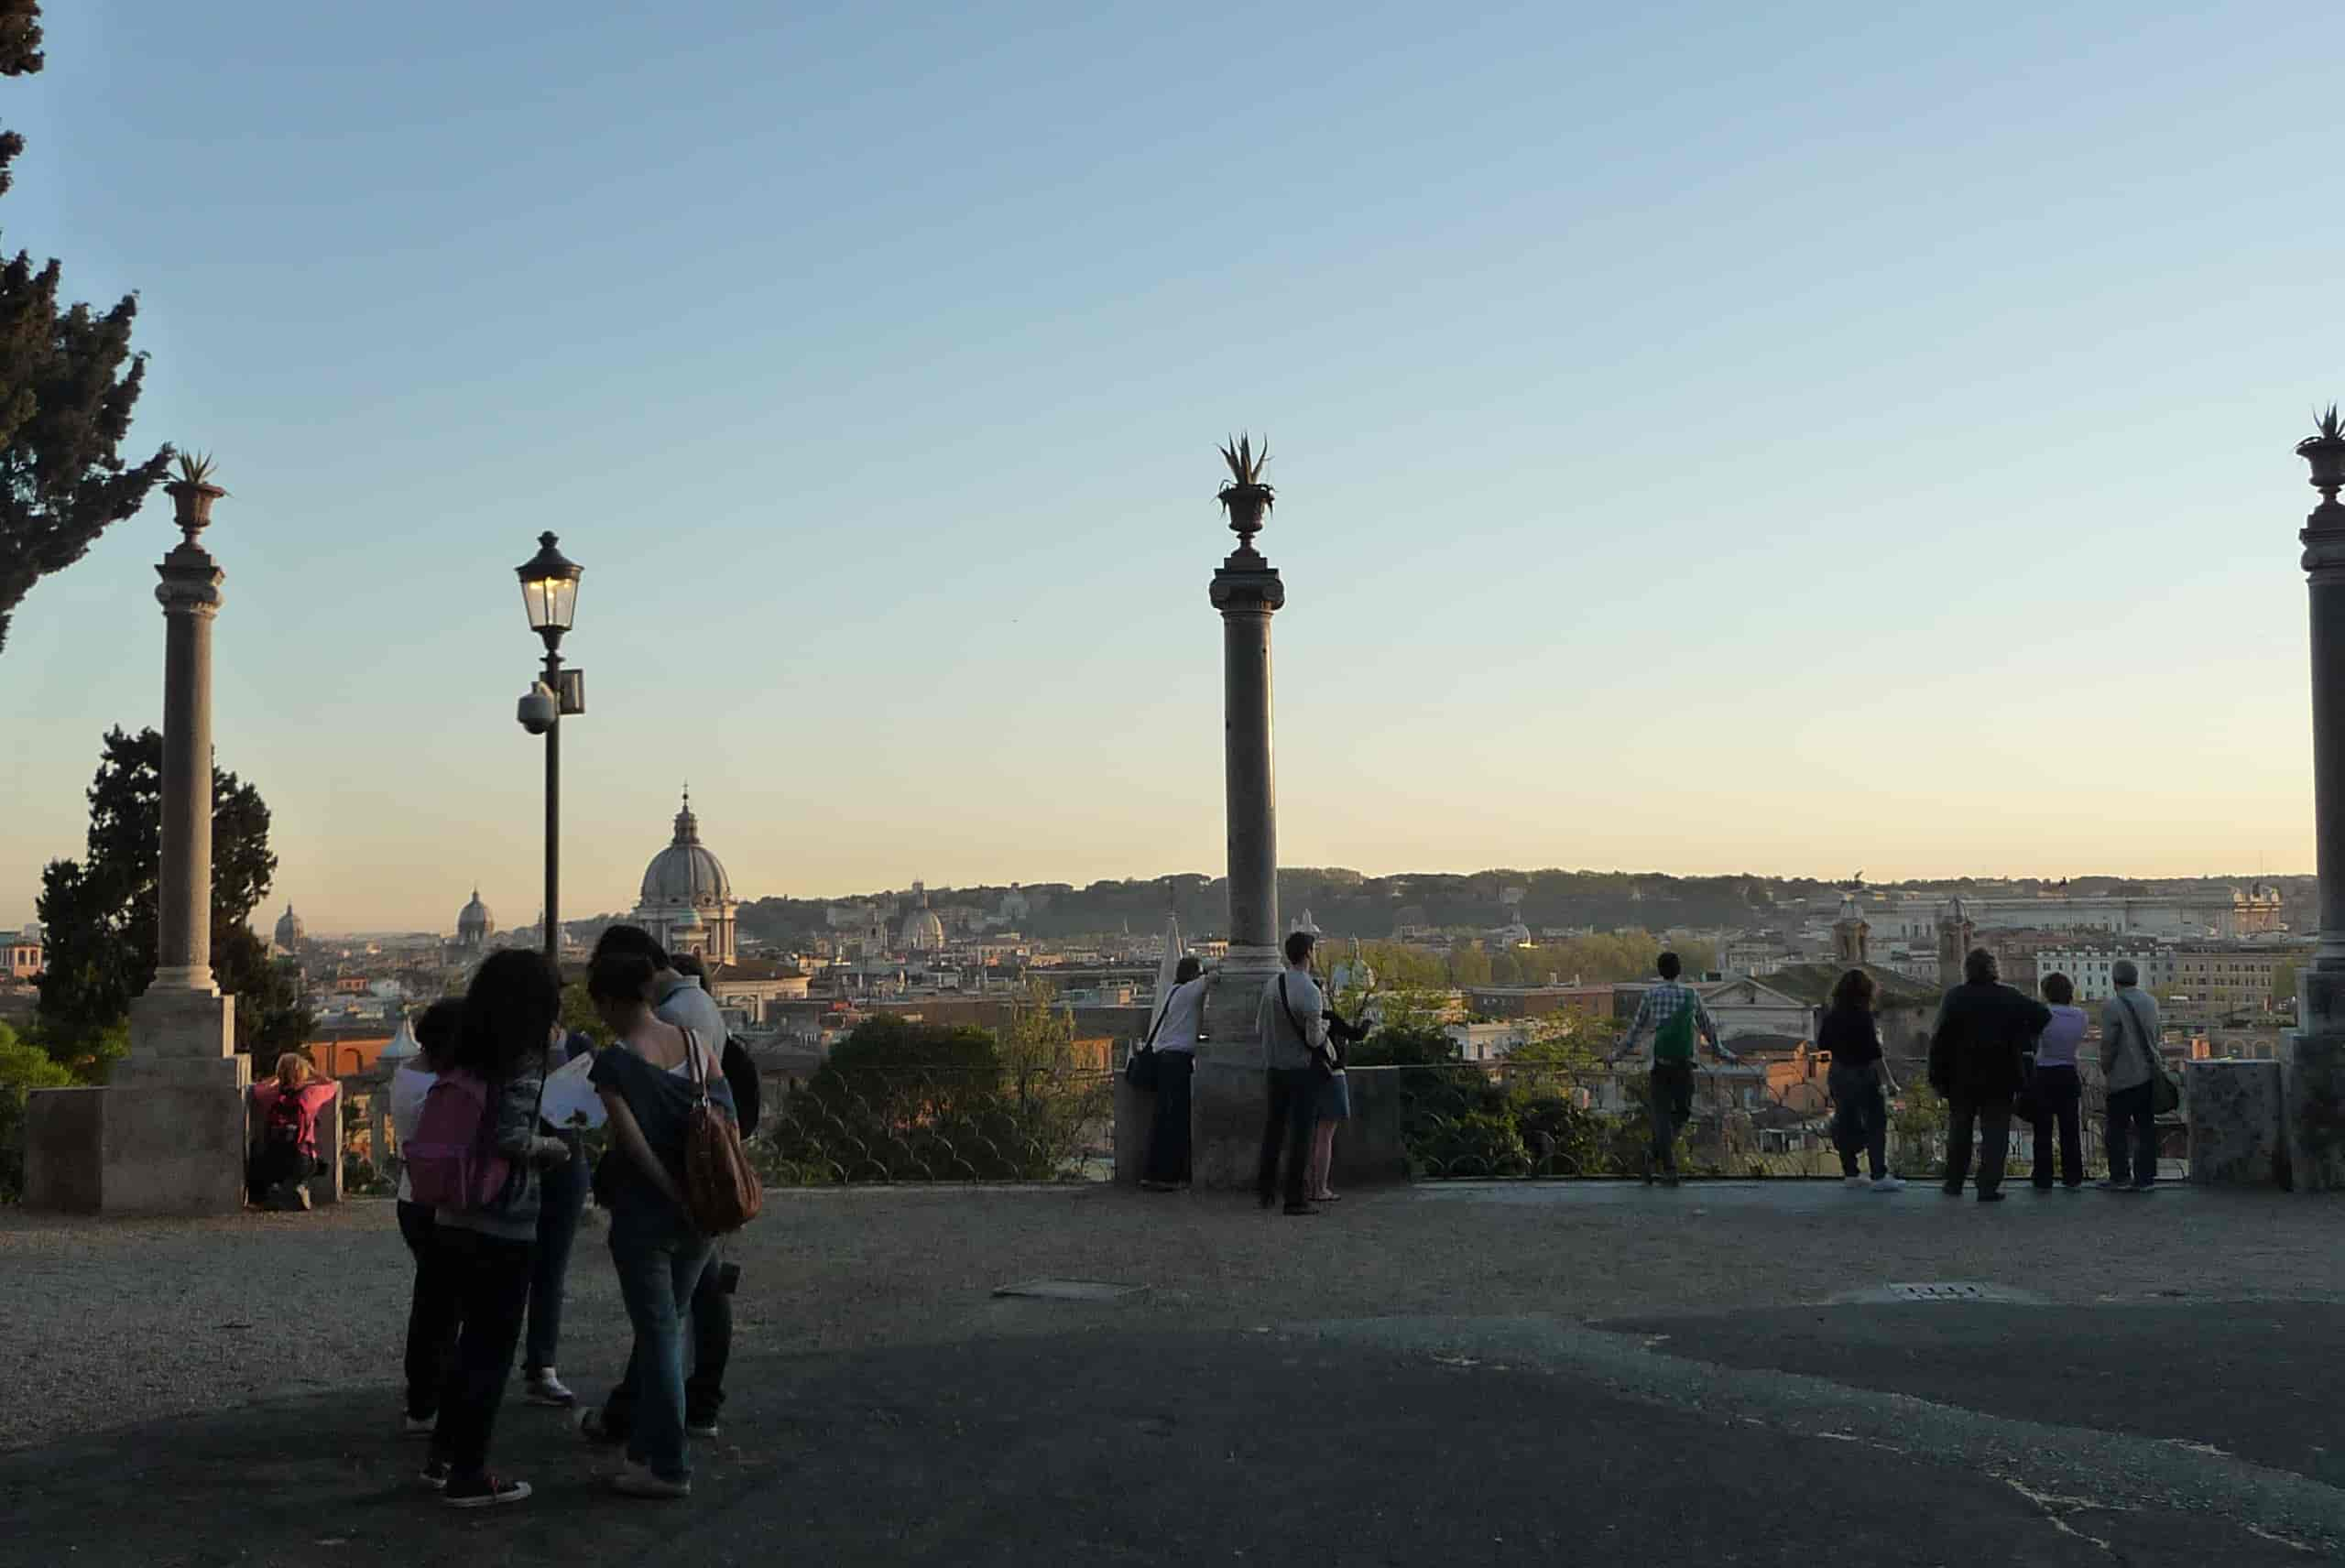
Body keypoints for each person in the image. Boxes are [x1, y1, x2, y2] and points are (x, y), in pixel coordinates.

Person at [582, 949, 737, 1499]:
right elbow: (727, 1118)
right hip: (703, 1213)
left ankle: (668, 1465)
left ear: (607, 1001)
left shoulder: (614, 1064)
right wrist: (705, 1189)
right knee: (667, 1328)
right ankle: (646, 1451)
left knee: (660, 1336)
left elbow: (632, 1145)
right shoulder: (696, 1045)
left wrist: (668, 1189)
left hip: (647, 1215)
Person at [422, 948, 569, 1508]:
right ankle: (469, 1472)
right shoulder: (523, 1060)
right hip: (502, 1219)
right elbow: (510, 1138)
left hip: (451, 1212)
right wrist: (553, 1147)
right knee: (491, 1349)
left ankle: (440, 1457)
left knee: (465, 1345)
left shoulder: (463, 1050)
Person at [390, 1000, 464, 1439]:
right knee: (443, 1309)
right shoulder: (441, 1086)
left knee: (433, 1304)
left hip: (411, 1198)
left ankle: (422, 1398)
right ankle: (430, 1400)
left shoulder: (407, 1075)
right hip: (437, 1203)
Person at [1927, 948, 2051, 1203]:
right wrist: (2023, 1038)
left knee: (1959, 1129)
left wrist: (1936, 1077)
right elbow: (2043, 1015)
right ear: (1994, 969)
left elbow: (1939, 1041)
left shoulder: (1955, 998)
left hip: (1960, 1076)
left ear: (1967, 970)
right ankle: (1987, 1186)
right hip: (2001, 1074)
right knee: (1996, 1133)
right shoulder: (2009, 996)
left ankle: (1954, 1182)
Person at [1610, 952, 1737, 1186]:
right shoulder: (1691, 994)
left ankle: (1657, 1158)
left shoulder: (1651, 995)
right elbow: (1708, 1028)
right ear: (1679, 971)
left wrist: (1615, 1055)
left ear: (1660, 971)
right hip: (1683, 1065)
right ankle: (1664, 1164)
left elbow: (1635, 1030)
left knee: (1661, 1117)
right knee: (1683, 1112)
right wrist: (1724, 1054)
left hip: (1660, 1064)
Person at [520, 1018, 592, 1411]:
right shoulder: (508, 1046)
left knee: (551, 1269)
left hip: (566, 1165)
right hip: (520, 1163)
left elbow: (589, 1104)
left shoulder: (578, 1045)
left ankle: (542, 1364)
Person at [1256, 930, 1334, 1215]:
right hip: (1301, 1071)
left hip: (1274, 1068)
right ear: (1309, 954)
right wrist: (1326, 1029)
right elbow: (1314, 1040)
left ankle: (1265, 1191)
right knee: (1301, 1135)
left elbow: (1259, 1028)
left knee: (1273, 1131)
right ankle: (1295, 1198)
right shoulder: (1311, 992)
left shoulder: (1271, 985)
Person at [1819, 968, 1903, 1192]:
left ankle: (1851, 1173)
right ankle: (1879, 1174)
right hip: (1862, 1074)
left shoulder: (1832, 1015)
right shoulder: (1863, 1017)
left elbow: (1822, 1043)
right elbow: (1875, 1054)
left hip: (1837, 1073)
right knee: (1876, 1122)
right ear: (1866, 992)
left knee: (1845, 1120)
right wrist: (1890, 1082)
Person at [1140, 956, 1217, 1192]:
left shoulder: (1173, 991)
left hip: (1164, 1058)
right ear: (1194, 974)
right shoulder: (1188, 991)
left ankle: (1155, 1173)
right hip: (1178, 1061)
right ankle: (1168, 1176)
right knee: (1175, 1119)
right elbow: (1213, 978)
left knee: (1163, 1118)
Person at [2099, 960, 2164, 1192]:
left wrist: (2105, 1068)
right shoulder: (2151, 1002)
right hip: (2148, 1075)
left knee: (2116, 1129)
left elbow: (2108, 1044)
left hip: (2122, 1077)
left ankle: (2120, 1177)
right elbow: (2157, 1035)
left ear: (2114, 980)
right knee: (2145, 1128)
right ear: (2136, 979)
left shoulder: (2112, 1006)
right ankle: (2145, 1178)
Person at [246, 1051, 339, 1209]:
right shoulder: (310, 1095)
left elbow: (257, 1089)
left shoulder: (271, 1095)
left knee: (267, 1167)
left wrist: (276, 1078)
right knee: (321, 1166)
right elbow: (332, 1085)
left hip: (273, 1156)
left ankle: (276, 1189)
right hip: (301, 1158)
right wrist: (313, 1072)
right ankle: (298, 1186)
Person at [2030, 973, 2088, 1192]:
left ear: (2046, 992)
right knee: (2070, 1127)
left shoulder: (2042, 1013)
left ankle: (2043, 1177)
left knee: (2042, 1129)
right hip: (2069, 1071)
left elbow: (2035, 1040)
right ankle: (2072, 1176)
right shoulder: (2081, 1016)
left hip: (2044, 1073)